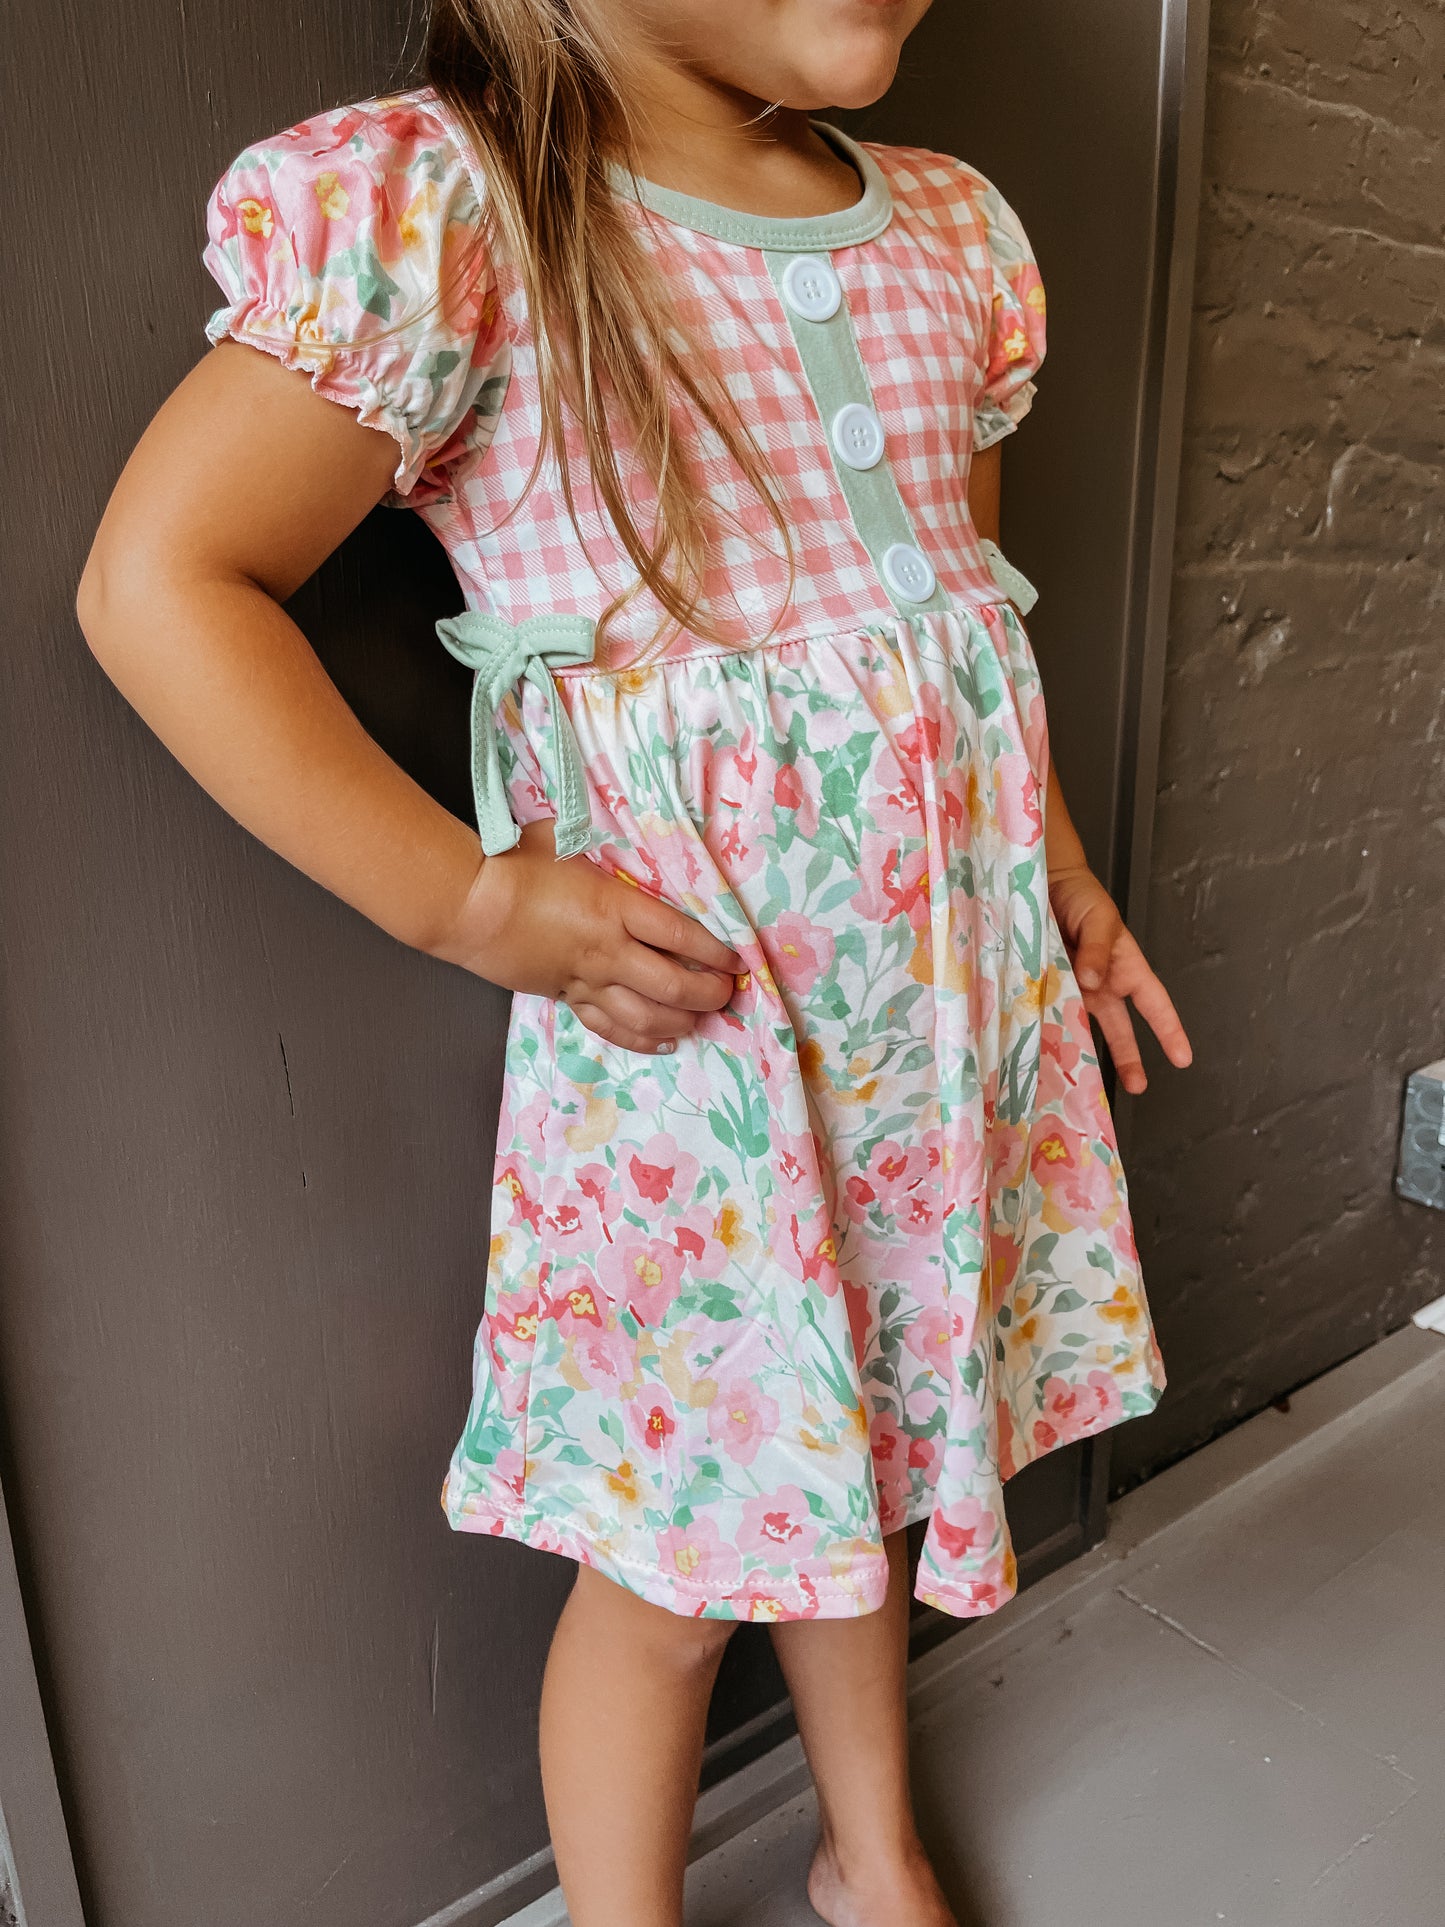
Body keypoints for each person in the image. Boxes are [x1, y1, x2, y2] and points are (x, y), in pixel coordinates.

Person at [78, 1, 1194, 1920]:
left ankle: (874, 1853)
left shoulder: (943, 235)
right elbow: (160, 582)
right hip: (703, 1062)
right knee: (676, 1566)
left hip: (929, 1041)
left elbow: (959, 634)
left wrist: (1062, 876)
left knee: (882, 1466)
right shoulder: (465, 213)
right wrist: (476, 902)